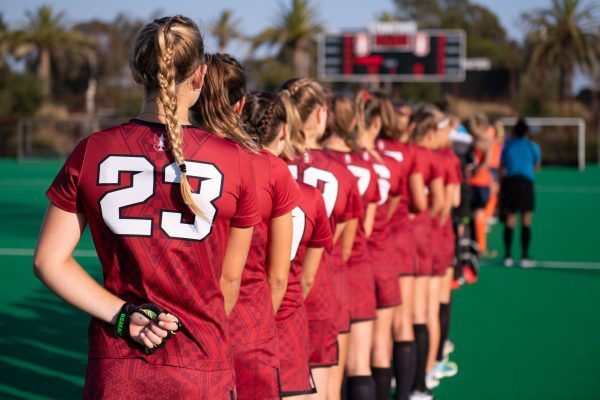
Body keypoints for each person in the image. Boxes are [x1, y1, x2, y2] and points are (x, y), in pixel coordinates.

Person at [34, 16, 259, 398]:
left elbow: (48, 262)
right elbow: (229, 282)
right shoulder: (236, 160)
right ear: (200, 75)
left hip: (119, 365)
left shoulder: (93, 150)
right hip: (201, 364)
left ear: (138, 72)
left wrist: (123, 316)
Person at [192, 54, 300, 399]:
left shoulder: (167, 160)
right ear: (240, 104)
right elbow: (278, 276)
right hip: (247, 327)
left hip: (177, 325)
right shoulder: (268, 168)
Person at [281, 78, 361, 400]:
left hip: (270, 292)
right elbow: (337, 244)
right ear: (319, 115)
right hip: (318, 287)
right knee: (322, 385)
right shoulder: (341, 172)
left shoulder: (266, 165)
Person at [322, 93, 381, 400]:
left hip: (295, 275)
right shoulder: (363, 167)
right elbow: (364, 230)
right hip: (346, 269)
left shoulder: (288, 163)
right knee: (354, 366)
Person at [500, 118, 541, 268]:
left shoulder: (507, 145)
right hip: (526, 184)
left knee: (510, 219)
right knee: (526, 220)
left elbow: (502, 166)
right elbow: (537, 166)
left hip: (510, 184)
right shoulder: (533, 146)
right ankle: (524, 256)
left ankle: (507, 256)